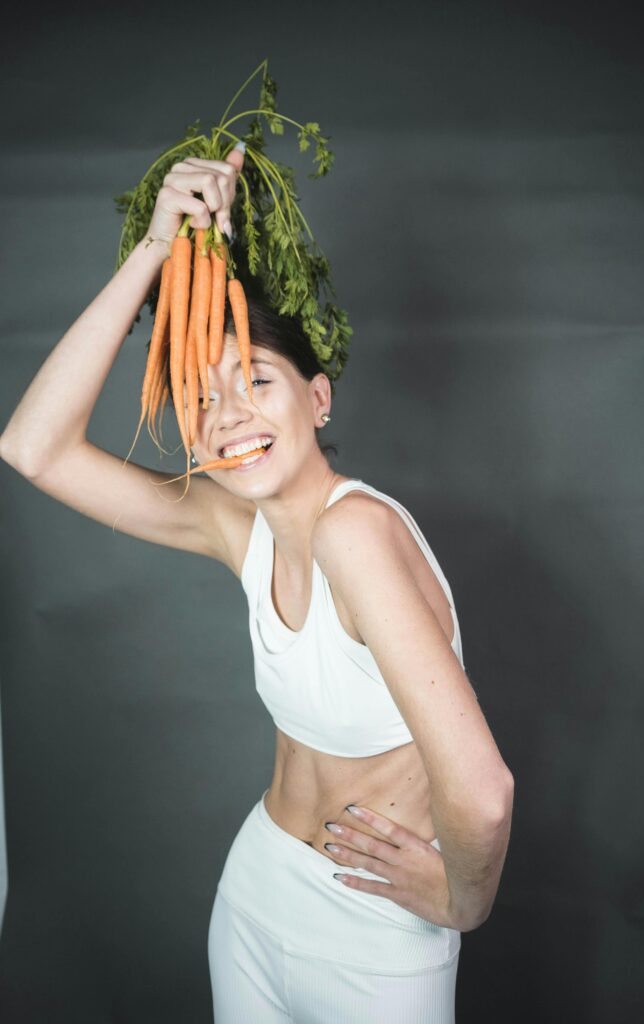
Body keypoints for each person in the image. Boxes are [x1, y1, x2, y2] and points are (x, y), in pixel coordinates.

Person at [0, 144, 514, 1023]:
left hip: (375, 937)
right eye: (201, 397)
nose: (228, 413)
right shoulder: (238, 528)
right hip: (256, 897)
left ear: (319, 399)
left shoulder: (357, 531)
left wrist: (465, 905)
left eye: (257, 379)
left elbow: (484, 789)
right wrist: (156, 248)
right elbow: (31, 447)